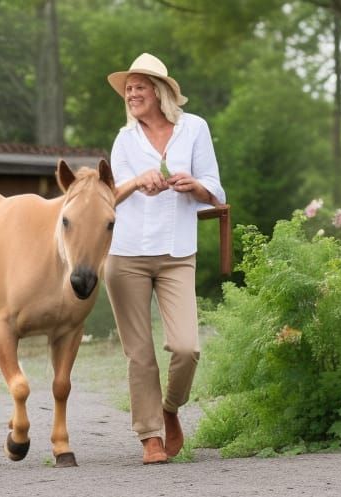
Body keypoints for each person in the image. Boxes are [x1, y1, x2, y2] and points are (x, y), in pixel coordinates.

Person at [104, 52, 226, 465]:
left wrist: (195, 186)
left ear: (159, 92)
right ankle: (150, 436)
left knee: (187, 347)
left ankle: (170, 409)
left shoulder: (195, 129)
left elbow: (215, 190)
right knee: (139, 354)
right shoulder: (124, 139)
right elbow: (110, 195)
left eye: (139, 87)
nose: (132, 94)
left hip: (177, 251)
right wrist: (138, 181)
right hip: (126, 255)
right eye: (128, 89)